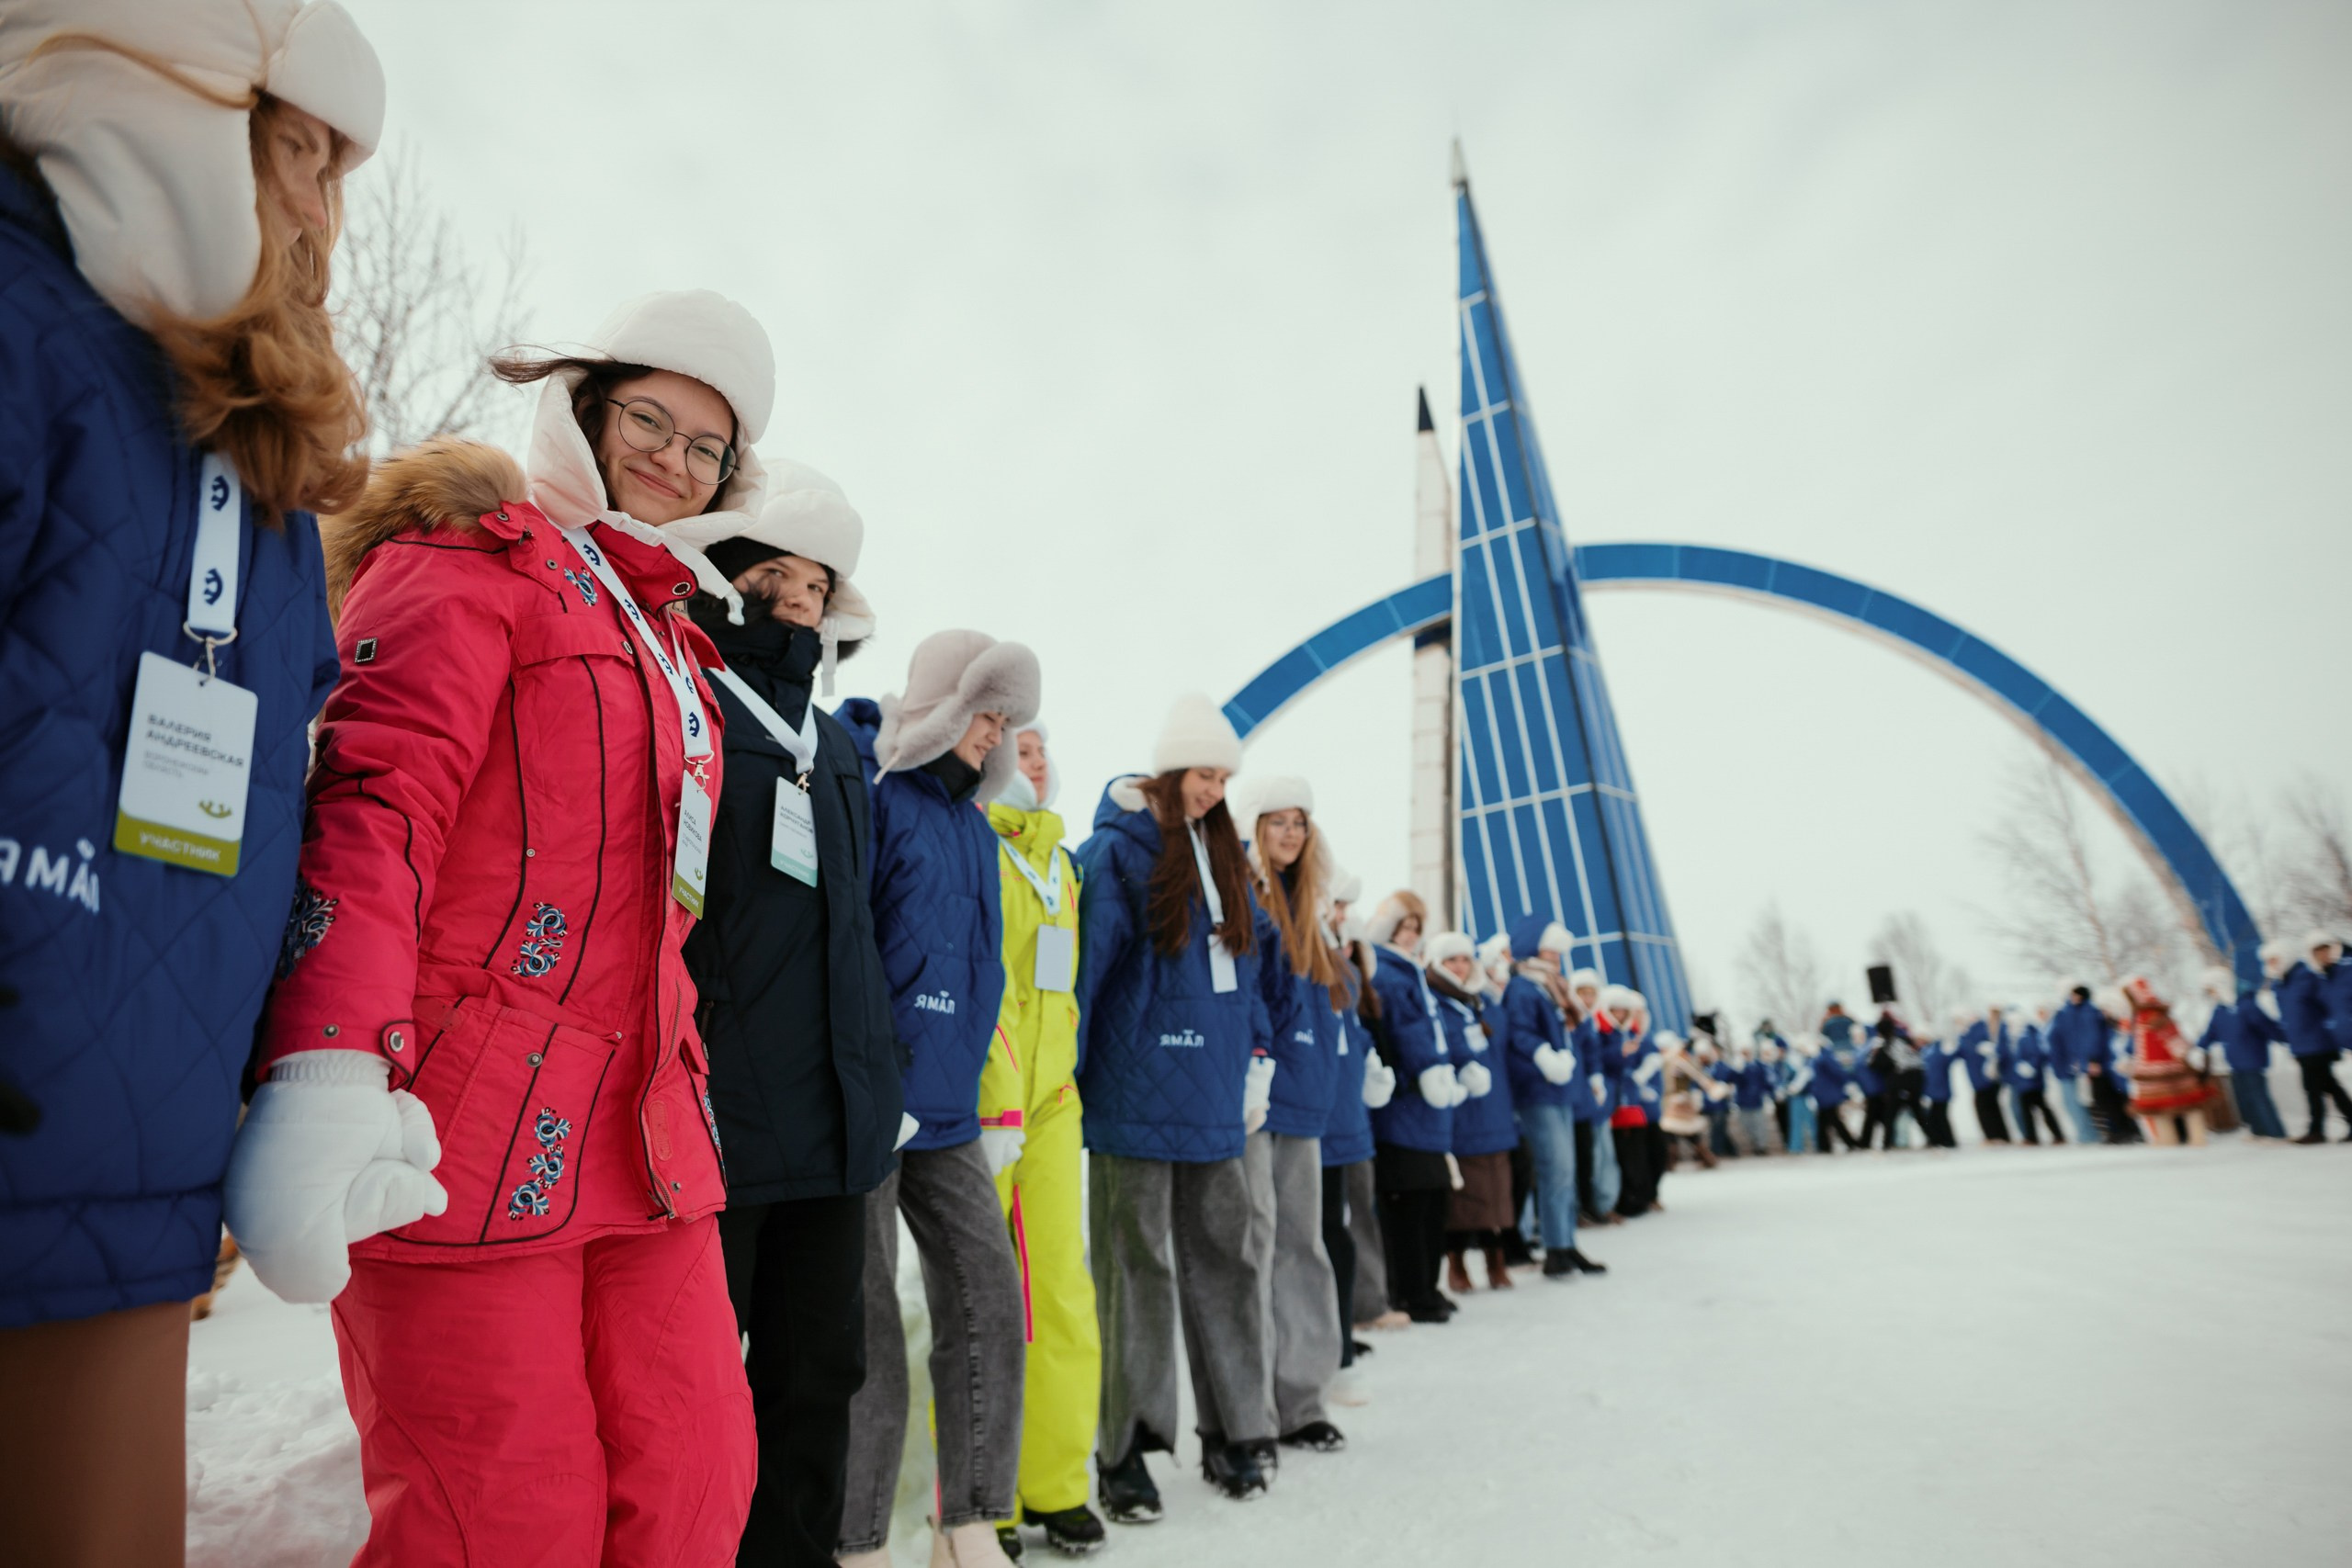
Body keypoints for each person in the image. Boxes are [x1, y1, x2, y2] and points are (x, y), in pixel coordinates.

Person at [236, 286, 775, 1562]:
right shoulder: (475, 556)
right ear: (586, 407)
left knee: (697, 1487)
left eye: (707, 448)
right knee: (503, 1517)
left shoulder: (679, 645)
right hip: (465, 1128)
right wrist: (328, 1064)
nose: (673, 459)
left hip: (648, 1143)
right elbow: (378, 806)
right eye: (650, 420)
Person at [0, 6, 383, 1558]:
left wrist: (283, 1074)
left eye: (338, 174)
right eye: (298, 154)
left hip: (140, 1166)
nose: (319, 210)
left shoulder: (269, 474)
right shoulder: (25, 322)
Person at [680, 472, 903, 1568]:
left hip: (833, 1120)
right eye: (776, 574)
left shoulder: (839, 745)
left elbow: (860, 926)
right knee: (697, 1386)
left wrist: (878, 1075)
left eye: (818, 584)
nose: (800, 598)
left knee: (819, 1375)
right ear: (729, 579)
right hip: (719, 1109)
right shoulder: (694, 699)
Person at [835, 629, 1040, 1568]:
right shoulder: (879, 797)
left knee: (989, 1295)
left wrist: (987, 1101)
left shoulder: (973, 827)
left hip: (949, 1113)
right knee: (868, 1318)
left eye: (1004, 718)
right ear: (943, 706)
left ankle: (967, 1521)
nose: (994, 732)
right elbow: (847, 946)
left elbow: (983, 978)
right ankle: (857, 1535)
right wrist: (870, 1073)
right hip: (873, 1104)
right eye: (983, 712)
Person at [1076, 695, 1277, 1514]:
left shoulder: (1226, 859)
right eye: (1203, 773)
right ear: (1170, 769)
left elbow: (1249, 970)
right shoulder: (1116, 851)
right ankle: (1125, 1448)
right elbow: (1087, 971)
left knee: (1228, 1261)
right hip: (1132, 1094)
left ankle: (1236, 1428)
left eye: (1224, 778)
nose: (1213, 790)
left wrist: (1257, 1057)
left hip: (1215, 1098)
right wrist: (1069, 1075)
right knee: (1135, 1270)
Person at [973, 721, 1108, 1557]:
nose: (1037, 762)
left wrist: (1061, 1086)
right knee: (985, 1298)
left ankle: (1056, 1484)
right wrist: (997, 1105)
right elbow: (985, 981)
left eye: (1041, 750)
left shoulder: (1061, 861)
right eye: (1020, 750)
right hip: (988, 1107)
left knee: (1060, 1288)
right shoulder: (978, 844)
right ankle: (983, 1498)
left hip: (1056, 1101)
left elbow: (1064, 988)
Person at [1237, 776, 1347, 1458]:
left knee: (1302, 1244)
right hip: (1254, 1093)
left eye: (1299, 822)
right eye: (1277, 821)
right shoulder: (1244, 895)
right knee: (1255, 1242)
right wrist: (1252, 1065)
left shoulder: (1310, 908)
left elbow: (1325, 1006)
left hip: (1301, 1096)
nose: (1290, 833)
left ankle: (1303, 1400)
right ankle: (1251, 1404)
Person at [1366, 890, 1465, 1322]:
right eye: (1404, 927)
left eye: (1415, 928)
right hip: (1405, 1106)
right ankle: (1410, 1290)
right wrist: (1423, 1069)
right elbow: (1402, 1031)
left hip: (1428, 1109)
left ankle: (1426, 1285)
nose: (1410, 935)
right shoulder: (1387, 973)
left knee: (1432, 1202)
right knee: (1409, 1204)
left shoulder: (1411, 973)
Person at [1496, 919, 1606, 1278]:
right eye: (1550, 951)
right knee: (1555, 1168)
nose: (1557, 958)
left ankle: (1565, 1242)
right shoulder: (1523, 988)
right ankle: (1556, 1247)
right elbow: (1520, 1033)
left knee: (1565, 1171)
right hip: (1538, 1089)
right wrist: (1544, 1056)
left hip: (1558, 1088)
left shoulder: (1549, 987)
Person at [1320, 908, 1393, 1407]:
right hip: (1315, 1121)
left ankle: (1341, 1335)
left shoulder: (1345, 974)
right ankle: (1332, 1342)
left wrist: (1371, 1067)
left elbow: (1354, 1035)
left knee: (1338, 1232)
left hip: (1343, 1121)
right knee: (1324, 1236)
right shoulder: (1313, 960)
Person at [1430, 932, 1515, 1292]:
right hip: (1461, 1112)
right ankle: (1457, 1263)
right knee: (1463, 1197)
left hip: (1496, 1109)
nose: (1460, 967)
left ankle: (1497, 1261)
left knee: (1498, 1192)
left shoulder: (1484, 1002)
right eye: (1451, 960)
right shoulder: (1435, 1003)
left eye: (1465, 959)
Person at [2267, 937, 2352, 1144]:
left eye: (2274, 959)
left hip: (2318, 1043)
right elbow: (2288, 1017)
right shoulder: (2280, 985)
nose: (2271, 965)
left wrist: (2333, 1030)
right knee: (2327, 1086)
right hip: (2301, 1045)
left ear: (2285, 957)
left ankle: (2316, 1131)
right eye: (2268, 961)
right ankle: (2323, 1128)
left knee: (2314, 1088)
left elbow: (2329, 1004)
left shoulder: (2307, 977)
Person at [2120, 977, 2210, 1145]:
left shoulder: (2153, 1015)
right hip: (2149, 1069)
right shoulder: (2140, 1017)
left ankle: (2196, 1138)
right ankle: (2168, 1139)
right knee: (2160, 1107)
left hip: (2169, 1067)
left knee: (2187, 1103)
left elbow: (2173, 1038)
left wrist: (2184, 1055)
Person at [2199, 967, 2287, 1140]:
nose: (2211, 994)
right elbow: (2211, 1033)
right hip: (2235, 1062)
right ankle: (2258, 1131)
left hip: (2253, 1059)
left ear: (2221, 986)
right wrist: (2199, 1048)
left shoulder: (2246, 1006)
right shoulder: (2221, 1010)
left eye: (2212, 990)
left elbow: (2266, 1026)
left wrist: (2284, 1038)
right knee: (2245, 1099)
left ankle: (2275, 1133)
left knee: (2258, 1097)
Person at [1569, 967, 1625, 1222]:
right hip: (1576, 1102)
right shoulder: (1574, 1022)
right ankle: (1581, 1207)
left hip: (1593, 1102)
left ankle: (1594, 1205)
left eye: (1592, 994)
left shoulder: (1591, 1023)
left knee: (1595, 1157)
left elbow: (1596, 1062)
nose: (1588, 999)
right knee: (1579, 1158)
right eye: (1583, 993)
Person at [1609, 988, 1668, 1215]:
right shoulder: (1627, 1038)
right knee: (1639, 1156)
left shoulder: (1648, 1039)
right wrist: (1638, 1084)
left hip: (1650, 1109)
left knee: (1657, 1153)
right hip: (1633, 1110)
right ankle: (1641, 1196)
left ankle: (1651, 1193)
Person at [2041, 998, 2102, 1146]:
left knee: (2077, 1101)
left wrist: (2076, 1060)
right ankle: (2086, 1133)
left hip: (2070, 1068)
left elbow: (2071, 1042)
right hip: (2062, 1068)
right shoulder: (2053, 1024)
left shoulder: (2063, 1020)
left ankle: (2088, 1134)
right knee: (2071, 1102)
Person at [2005, 1007, 2064, 1145]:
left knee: (2038, 1108)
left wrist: (2031, 1067)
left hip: (2032, 1081)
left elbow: (2037, 1054)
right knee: (2033, 1109)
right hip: (2022, 1082)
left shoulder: (2027, 1036)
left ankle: (2040, 1137)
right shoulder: (2016, 1038)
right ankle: (2038, 1136)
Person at [1959, 1007, 2014, 1144]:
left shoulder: (1979, 1029)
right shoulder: (1967, 1034)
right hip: (1979, 1077)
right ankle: (1999, 1136)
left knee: (1985, 1106)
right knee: (1990, 1105)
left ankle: (1994, 1136)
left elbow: (1998, 1047)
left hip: (1986, 1076)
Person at [1916, 1027, 1960, 1148]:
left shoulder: (1938, 1050)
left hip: (1940, 1090)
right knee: (1934, 1117)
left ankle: (1947, 1140)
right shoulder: (1925, 1052)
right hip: (1932, 1091)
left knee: (1940, 1116)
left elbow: (1948, 1060)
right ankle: (1938, 1139)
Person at [1729, 1042, 1776, 1154]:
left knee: (1759, 1124)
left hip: (1757, 1100)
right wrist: (1737, 1069)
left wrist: (1769, 1093)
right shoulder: (1740, 1066)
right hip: (1743, 1101)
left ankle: (1761, 1146)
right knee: (1745, 1124)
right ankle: (1755, 1142)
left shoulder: (1759, 1065)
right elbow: (1732, 1079)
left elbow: (1766, 1081)